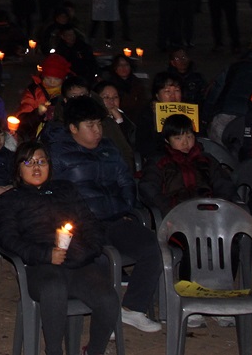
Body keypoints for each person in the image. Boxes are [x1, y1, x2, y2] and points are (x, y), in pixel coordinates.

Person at [47, 96, 162, 332]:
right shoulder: (57, 154)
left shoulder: (109, 148)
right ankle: (103, 318)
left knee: (153, 246)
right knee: (97, 260)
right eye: (90, 126)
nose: (97, 131)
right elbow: (52, 194)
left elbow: (126, 181)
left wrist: (126, 208)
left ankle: (132, 309)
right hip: (83, 225)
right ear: (73, 128)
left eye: (99, 124)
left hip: (115, 219)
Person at [0, 142, 119, 355]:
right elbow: (8, 239)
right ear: (18, 169)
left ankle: (94, 350)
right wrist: (45, 254)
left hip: (78, 263)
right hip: (40, 266)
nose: (36, 167)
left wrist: (86, 251)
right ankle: (54, 351)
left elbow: (91, 224)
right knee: (54, 288)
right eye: (29, 162)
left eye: (41, 161)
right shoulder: (11, 199)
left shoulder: (66, 190)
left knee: (108, 299)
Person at [138, 114, 235, 215]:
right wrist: (167, 207)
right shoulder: (160, 162)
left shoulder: (206, 159)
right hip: (174, 212)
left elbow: (224, 184)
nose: (185, 143)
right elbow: (148, 187)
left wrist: (217, 206)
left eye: (189, 136)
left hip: (208, 211)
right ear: (167, 140)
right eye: (178, 138)